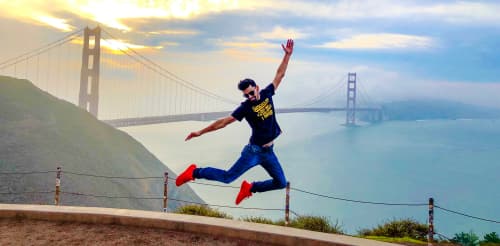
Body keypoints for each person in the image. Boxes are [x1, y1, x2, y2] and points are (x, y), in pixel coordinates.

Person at [176, 39, 294, 205]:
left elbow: (280, 75)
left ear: (257, 87)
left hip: (269, 152)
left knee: (281, 183)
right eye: (246, 95)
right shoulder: (245, 108)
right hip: (254, 151)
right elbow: (223, 122)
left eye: (251, 92)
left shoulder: (267, 93)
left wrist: (287, 55)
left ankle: (250, 188)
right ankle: (194, 172)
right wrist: (200, 132)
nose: (250, 97)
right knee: (228, 177)